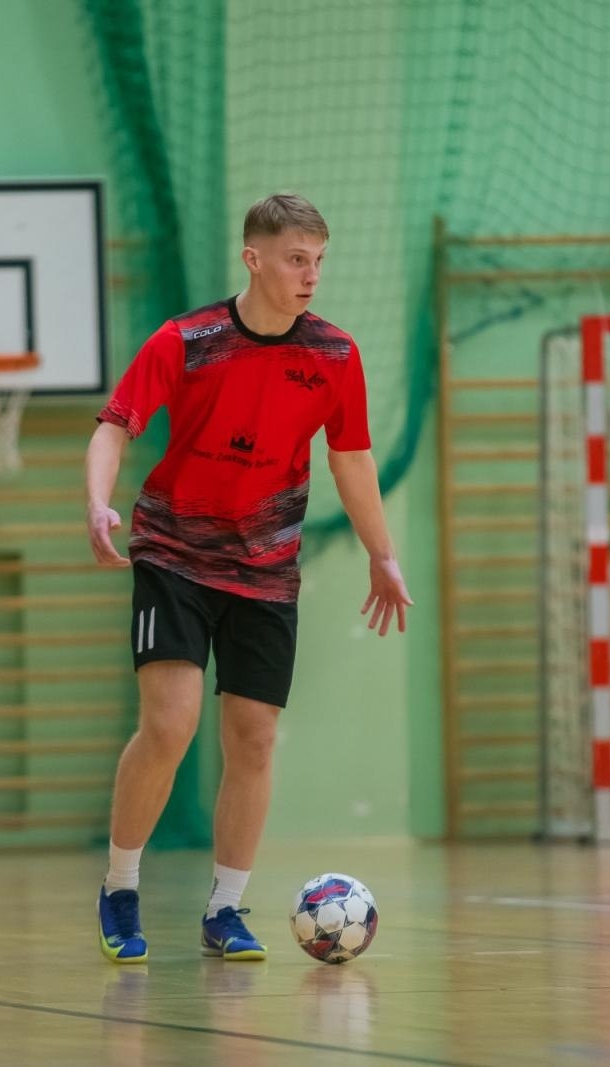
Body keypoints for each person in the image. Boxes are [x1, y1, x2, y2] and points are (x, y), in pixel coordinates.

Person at [85, 193, 413, 964]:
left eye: (319, 261)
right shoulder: (187, 339)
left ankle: (225, 909)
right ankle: (120, 884)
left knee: (255, 739)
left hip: (266, 566)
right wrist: (98, 503)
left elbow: (352, 456)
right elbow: (115, 424)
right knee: (170, 723)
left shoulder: (334, 355)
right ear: (254, 258)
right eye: (297, 259)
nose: (311, 276)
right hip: (174, 553)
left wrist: (382, 550)